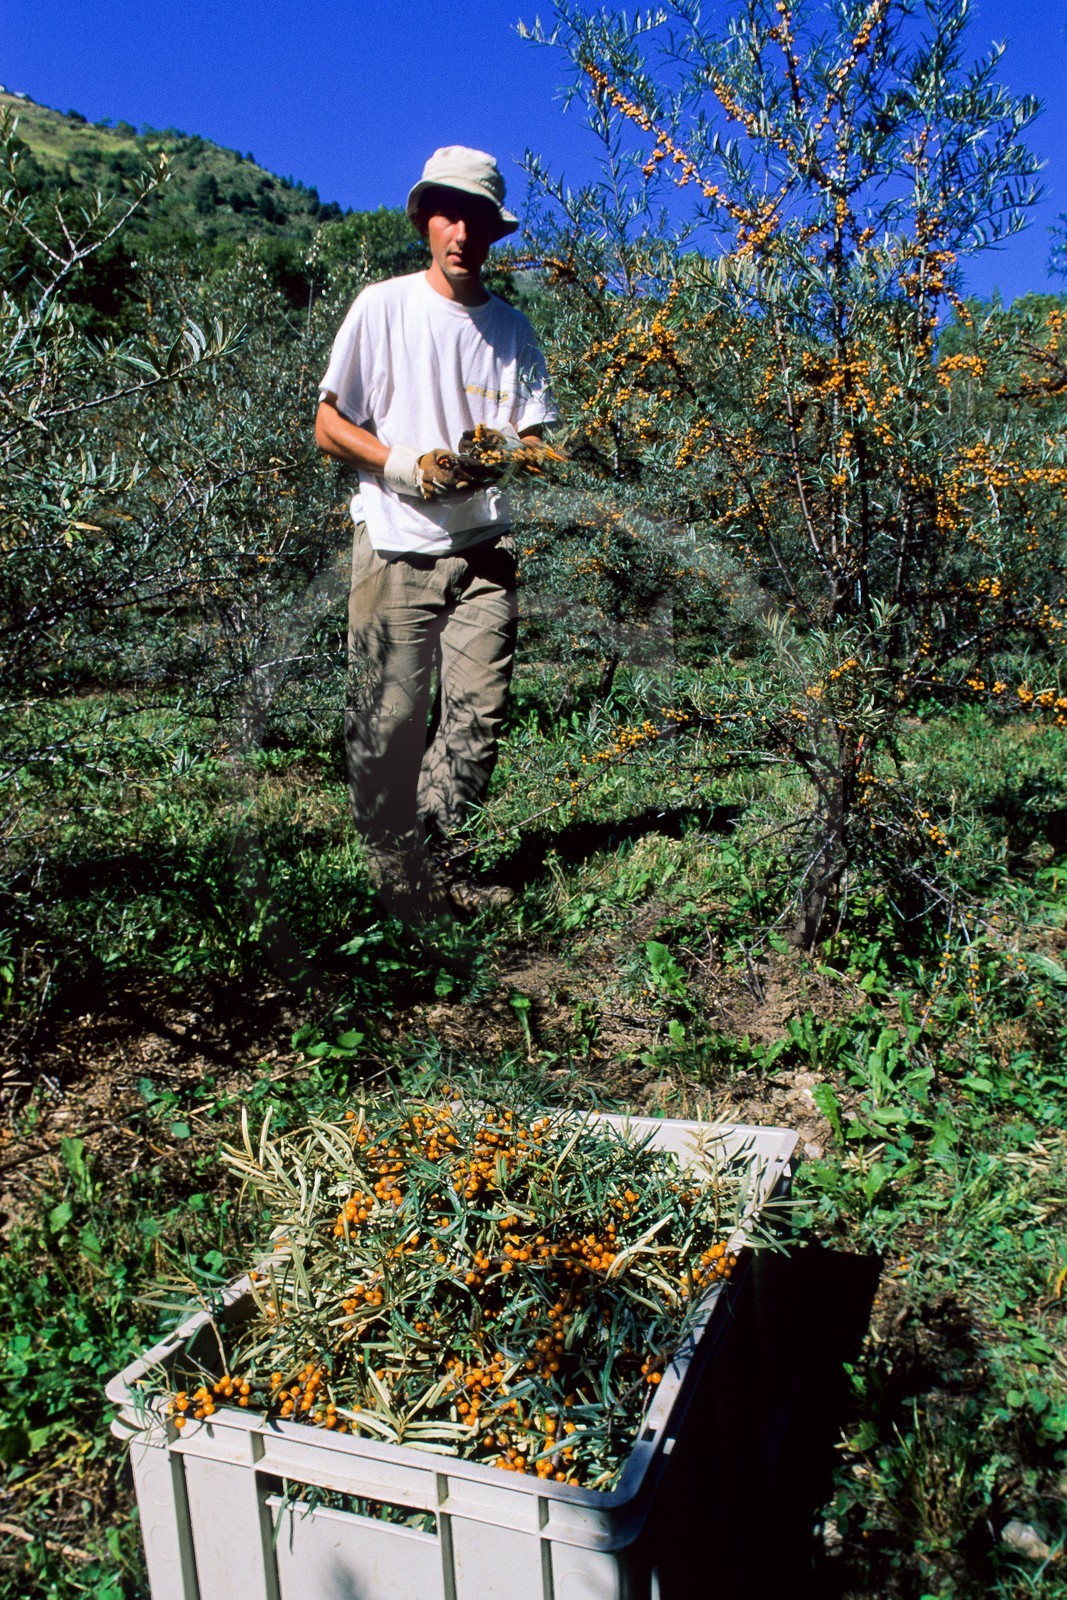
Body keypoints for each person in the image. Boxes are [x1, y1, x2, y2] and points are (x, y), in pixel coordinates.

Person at [316, 146, 557, 923]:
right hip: (393, 541)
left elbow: (537, 437)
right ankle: (397, 887)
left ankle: (439, 861)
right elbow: (327, 425)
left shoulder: (512, 330)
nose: (462, 233)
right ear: (425, 219)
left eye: (478, 219)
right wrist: (406, 468)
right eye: (448, 215)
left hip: (483, 549)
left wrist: (502, 454)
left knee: (476, 714)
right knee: (389, 720)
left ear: (493, 231)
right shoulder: (381, 307)